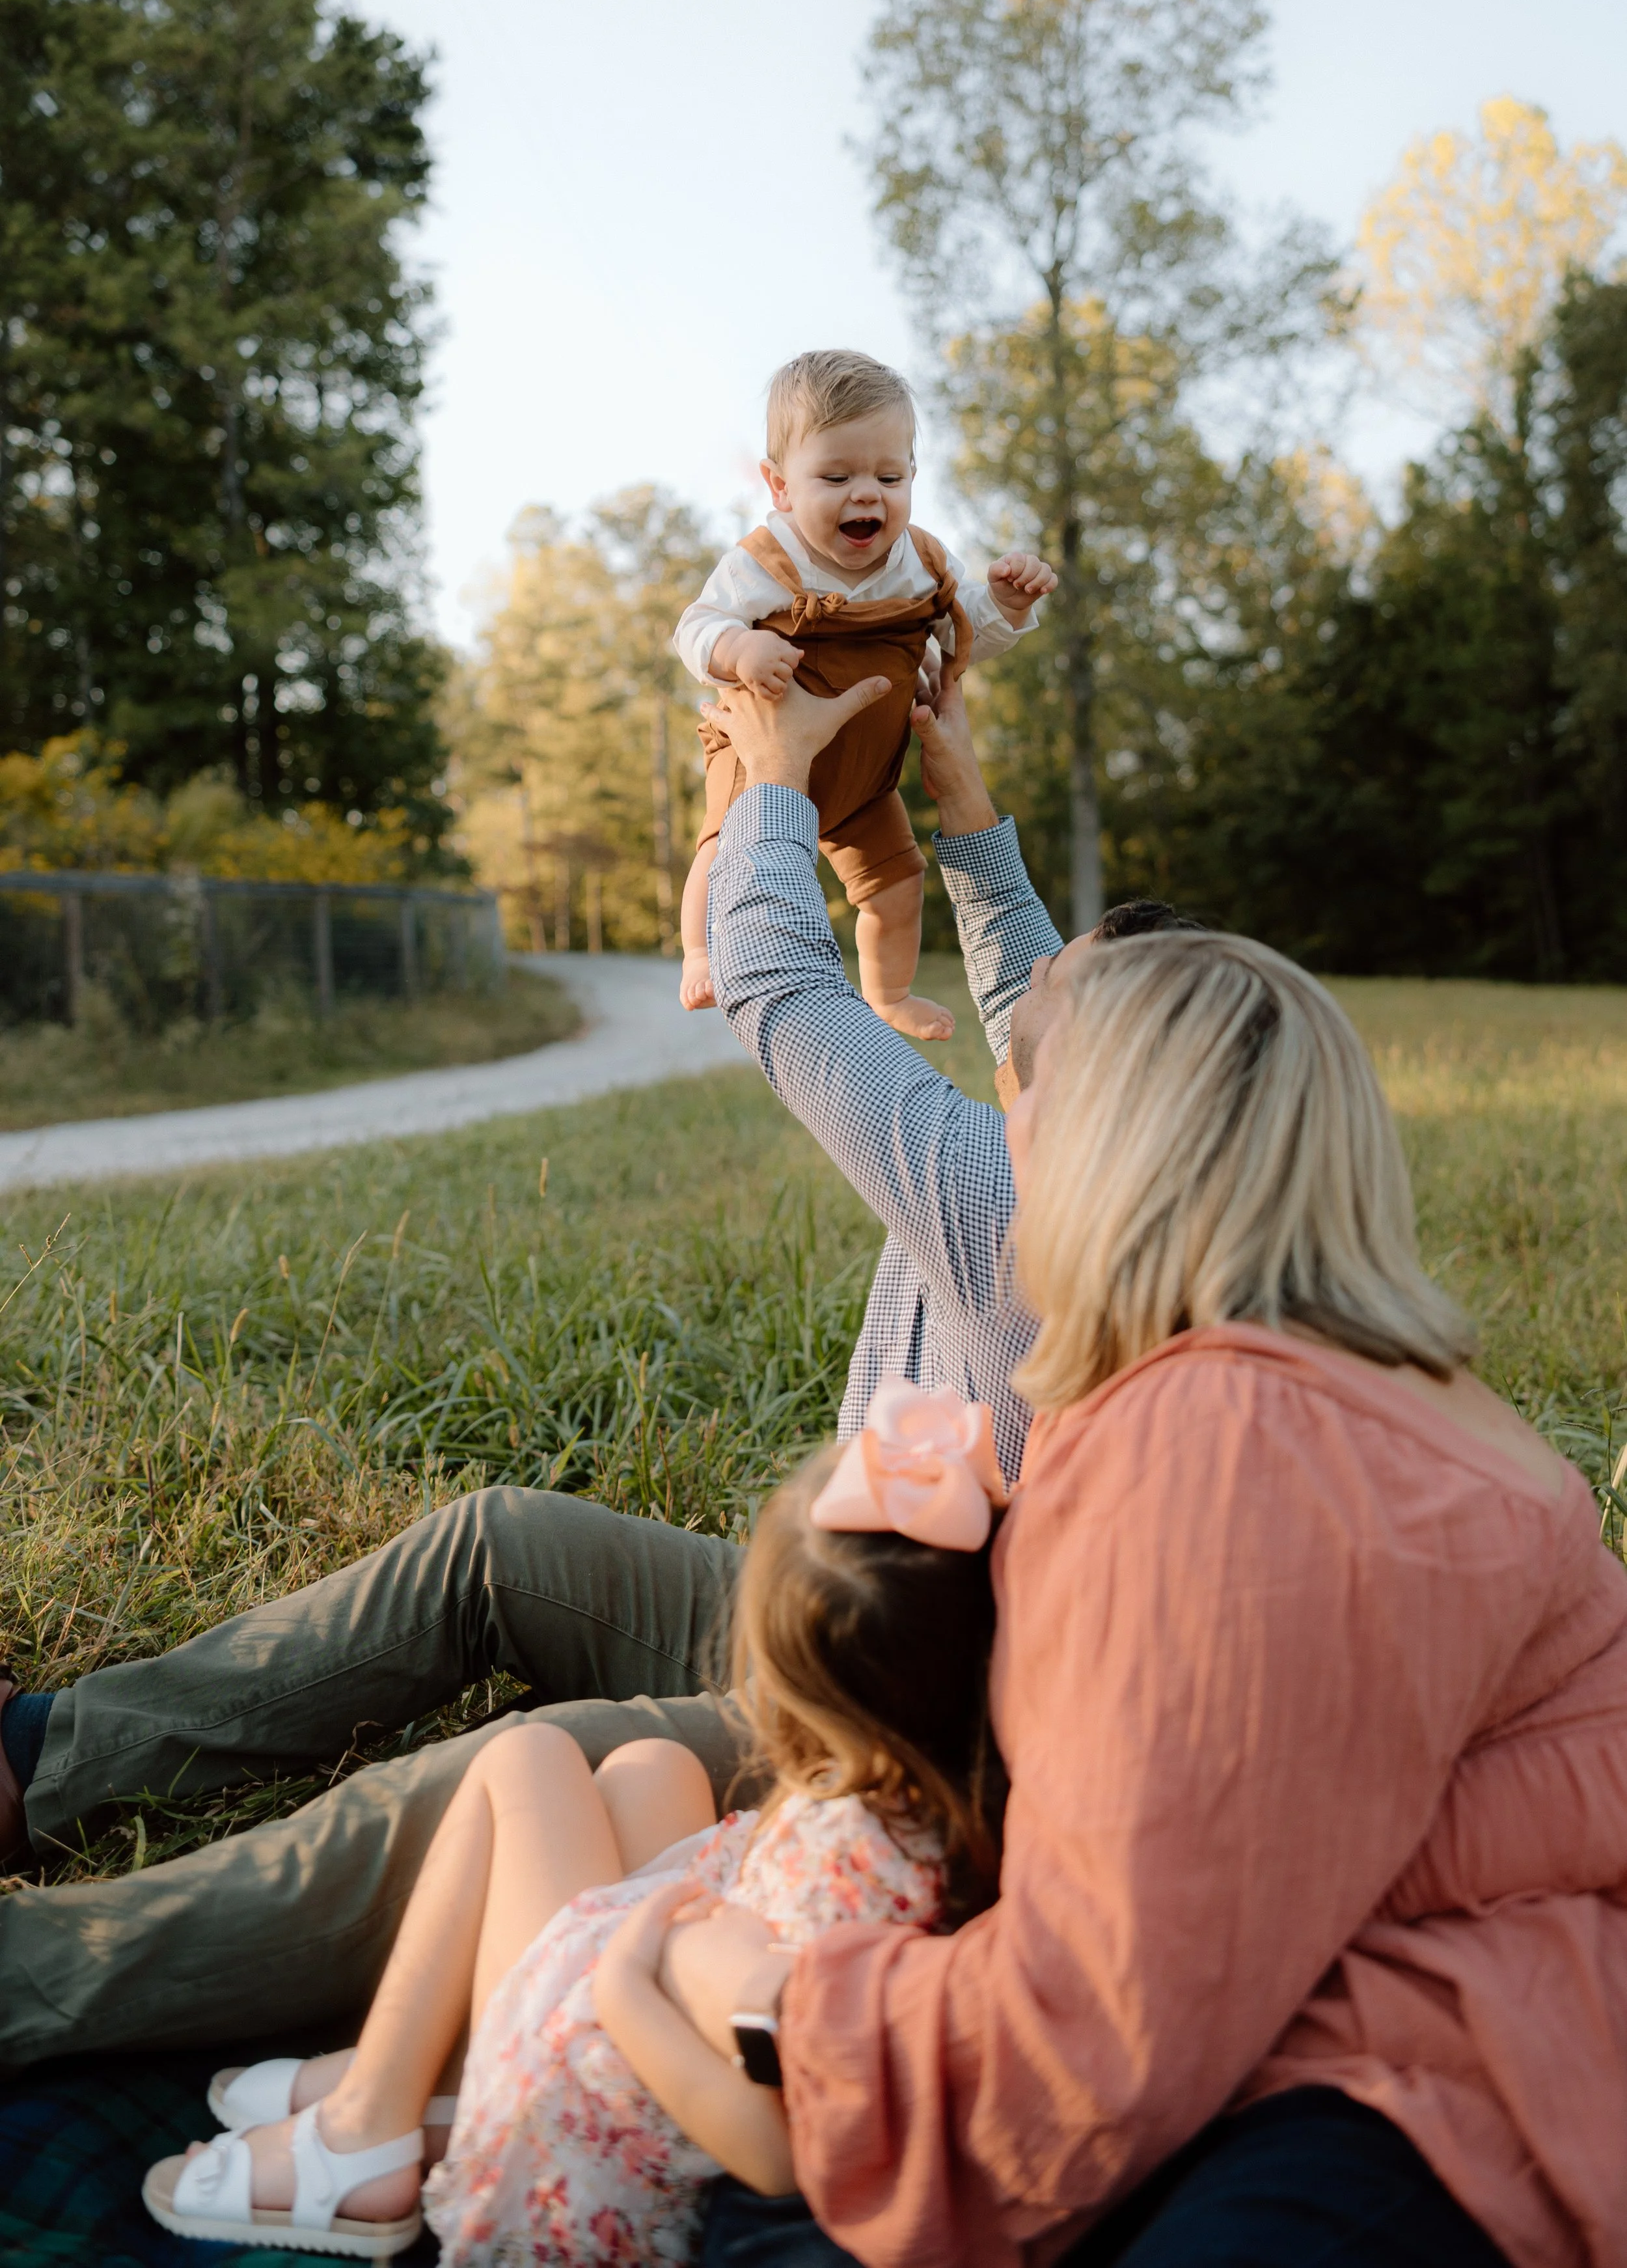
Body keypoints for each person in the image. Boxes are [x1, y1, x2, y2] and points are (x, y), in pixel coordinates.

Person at [0, 665, 1168, 2071]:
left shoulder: (997, 1197)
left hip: (891, 1738)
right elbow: (1035, 997)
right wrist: (962, 806)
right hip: (855, 1622)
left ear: (1087, 1089)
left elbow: (782, 983)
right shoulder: (1118, 1168)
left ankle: (44, 1978)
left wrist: (775, 778)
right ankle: (46, 1761)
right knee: (497, 1544)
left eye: (1047, 1004)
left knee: (503, 1782)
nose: (1018, 998)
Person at [629, 704, 1627, 2268]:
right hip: (1481, 2032)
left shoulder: (1222, 1440)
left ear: (1100, 1149)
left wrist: (732, 1984)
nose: (1001, 1126)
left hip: (1432, 2097)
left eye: (1026, 1095)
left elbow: (1075, 2051)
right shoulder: (1387, 1393)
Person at [140, 1387, 1006, 2261]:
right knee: (653, 1766)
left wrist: (624, 1987)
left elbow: (777, 2151)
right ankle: (433, 2080)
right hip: (641, 2034)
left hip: (583, 2167)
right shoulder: (908, 1811)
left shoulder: (846, 1884)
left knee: (527, 1763)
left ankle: (364, 2132)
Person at [672, 347, 1054, 1035]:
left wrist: (1007, 603)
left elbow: (966, 640)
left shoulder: (924, 564)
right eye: (836, 475)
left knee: (898, 882)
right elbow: (695, 628)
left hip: (866, 782)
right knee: (722, 848)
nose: (866, 494)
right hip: (763, 761)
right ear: (780, 486)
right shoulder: (765, 560)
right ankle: (699, 950)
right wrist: (739, 647)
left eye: (889, 474)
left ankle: (888, 994)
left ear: (912, 475)